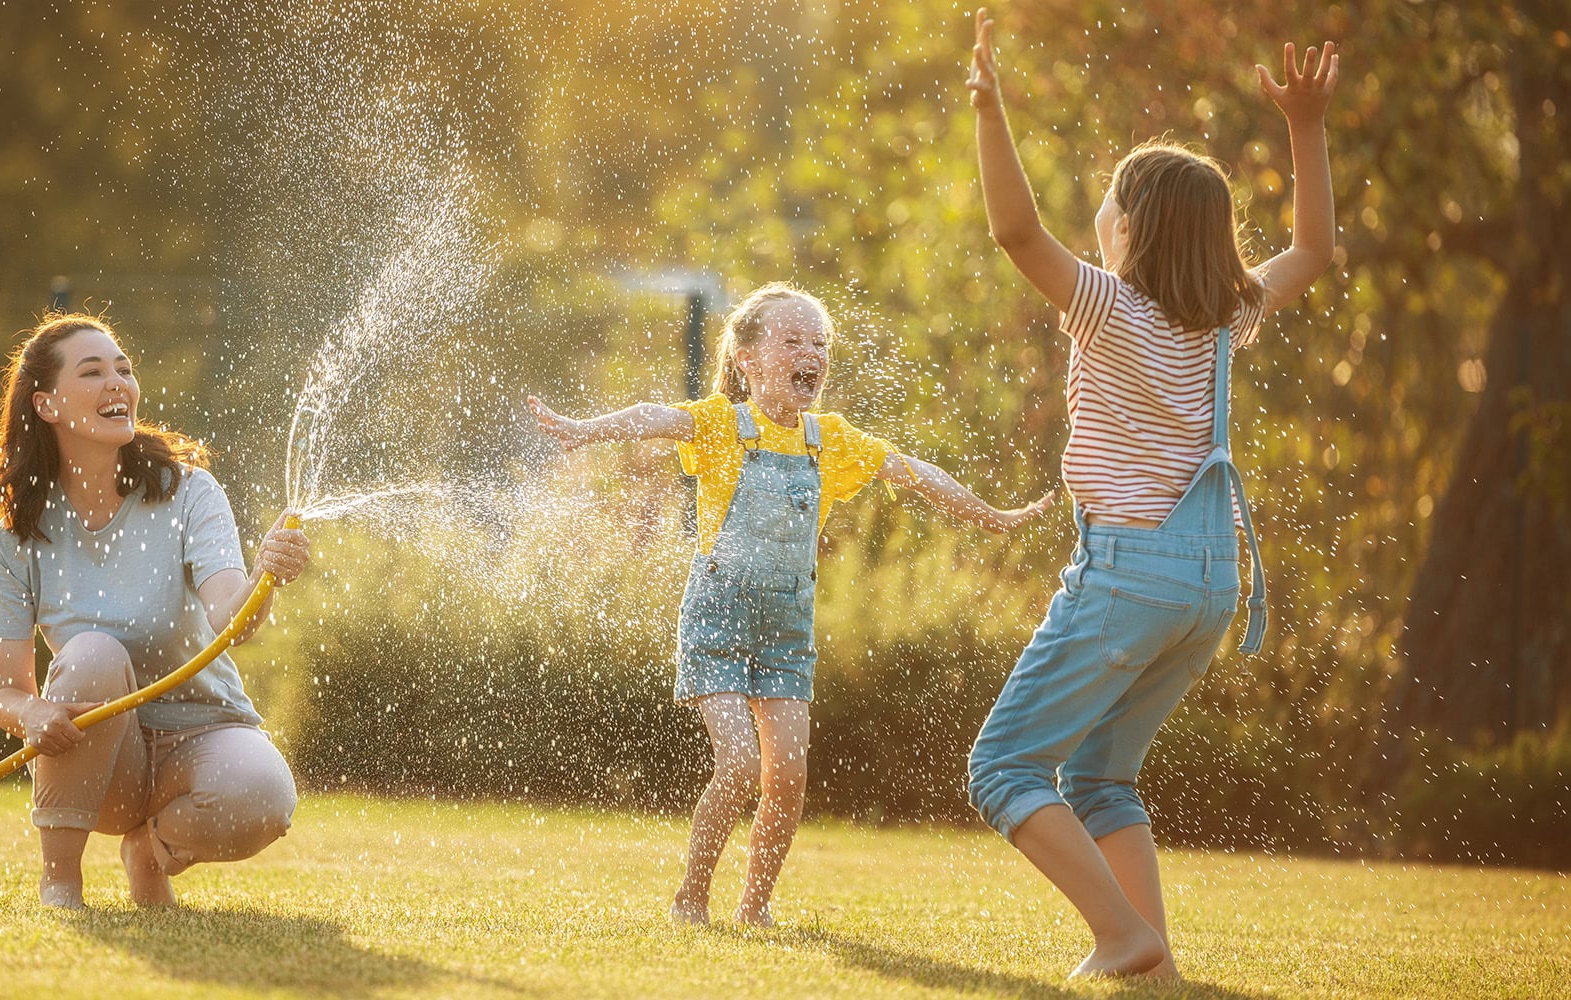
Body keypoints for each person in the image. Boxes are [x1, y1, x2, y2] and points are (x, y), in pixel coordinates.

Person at [962, 9, 1339, 977]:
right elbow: (1313, 250)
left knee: (1001, 765)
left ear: (1126, 228)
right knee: (1099, 771)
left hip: (1127, 578)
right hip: (1206, 592)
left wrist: (991, 112)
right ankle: (1153, 960)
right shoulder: (1223, 320)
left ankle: (1120, 932)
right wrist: (1304, 126)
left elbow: (1012, 229)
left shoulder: (1110, 305)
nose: (1096, 216)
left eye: (1106, 205)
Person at [527, 282, 1052, 927]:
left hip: (785, 634)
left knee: (788, 778)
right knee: (742, 766)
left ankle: (755, 904)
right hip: (716, 624)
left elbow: (913, 470)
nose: (812, 353)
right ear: (746, 358)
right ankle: (691, 894)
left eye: (820, 343)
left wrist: (990, 515)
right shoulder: (722, 425)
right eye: (793, 340)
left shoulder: (828, 440)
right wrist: (584, 431)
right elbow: (653, 416)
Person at [0, 313, 309, 909]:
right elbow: (6, 694)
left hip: (204, 731)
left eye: (124, 370)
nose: (118, 384)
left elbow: (232, 616)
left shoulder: (190, 493)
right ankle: (61, 881)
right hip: (102, 766)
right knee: (93, 654)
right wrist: (35, 715)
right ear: (47, 405)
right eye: (94, 371)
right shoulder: (14, 540)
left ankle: (149, 853)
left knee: (265, 796)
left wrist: (263, 579)